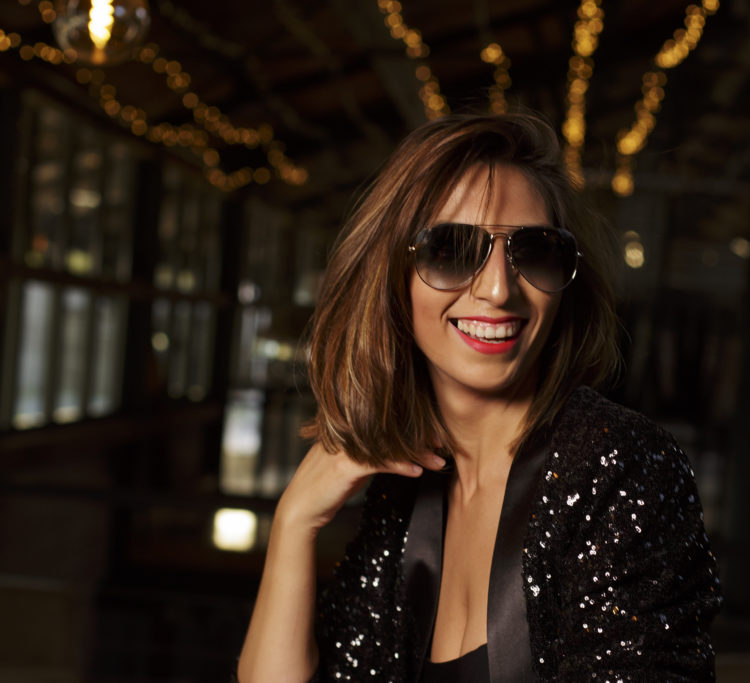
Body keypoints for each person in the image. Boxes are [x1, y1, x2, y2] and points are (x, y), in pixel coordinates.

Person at [236, 111, 722, 683]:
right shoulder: (403, 486)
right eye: (451, 249)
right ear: (390, 275)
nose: (497, 289)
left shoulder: (620, 468)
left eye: (534, 251)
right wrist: (294, 521)